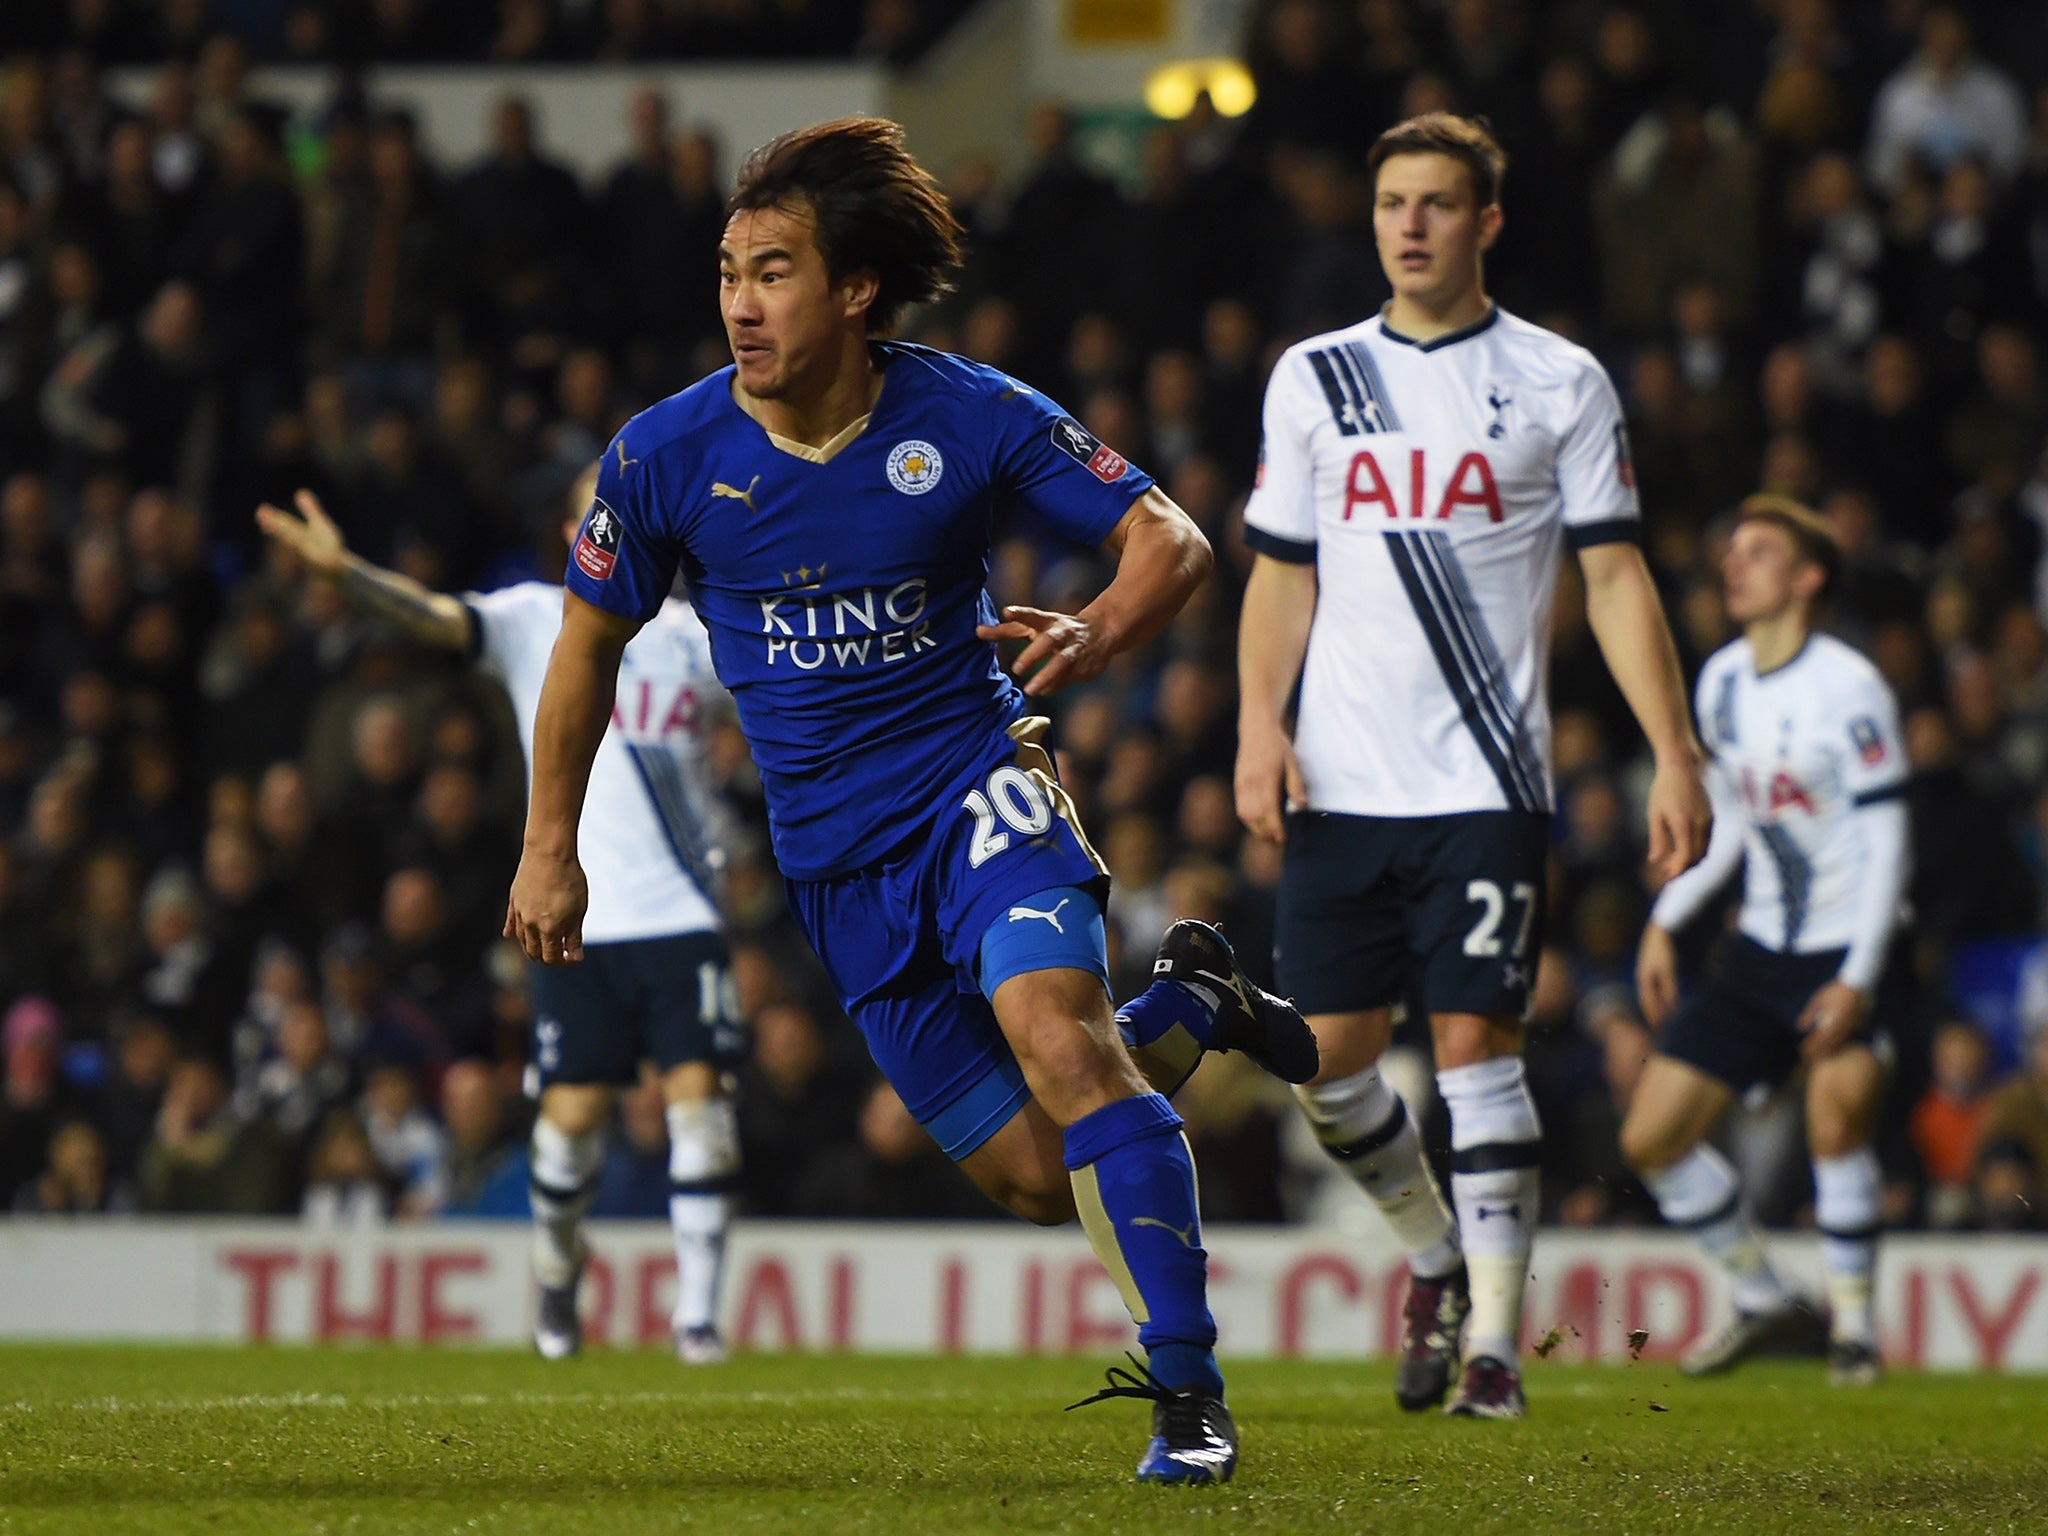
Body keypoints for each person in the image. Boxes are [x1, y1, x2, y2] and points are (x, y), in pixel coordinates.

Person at [504, 117, 1314, 1485]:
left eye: (771, 272)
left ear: (853, 289)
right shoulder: (663, 458)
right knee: (1030, 1173)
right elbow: (585, 651)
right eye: (727, 272)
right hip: (836, 863)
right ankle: (1187, 1008)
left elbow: (1167, 538)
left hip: (978, 789)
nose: (740, 305)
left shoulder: (968, 413)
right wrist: (546, 848)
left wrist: (1102, 633)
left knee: (1064, 1045)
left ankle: (1189, 1396)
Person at [1234, 113, 1711, 1420]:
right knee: (1327, 1070)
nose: (1411, 224)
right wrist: (1256, 726)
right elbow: (1280, 575)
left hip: (1489, 782)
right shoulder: (1313, 378)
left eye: (1439, 203)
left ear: (1486, 222)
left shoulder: (1560, 381)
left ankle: (1496, 1347)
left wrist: (1674, 753)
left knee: (1472, 1052)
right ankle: (1438, 1263)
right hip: (1338, 782)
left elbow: (1616, 578)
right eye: (1393, 201)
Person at [257, 467, 745, 1364]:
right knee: (570, 1124)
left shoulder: (695, 640)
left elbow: (793, 691)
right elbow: (435, 618)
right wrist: (345, 575)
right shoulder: (533, 621)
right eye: (602, 515)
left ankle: (699, 1320)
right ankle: (558, 1283)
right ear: (574, 533)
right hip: (579, 918)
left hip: (683, 913)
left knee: (700, 1109)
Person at [1624, 496, 1910, 1388]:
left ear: (1807, 577)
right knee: (1651, 1139)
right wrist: (1669, 919)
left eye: (1758, 551)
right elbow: (1739, 823)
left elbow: (1889, 842)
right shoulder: (1719, 683)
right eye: (1732, 549)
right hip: (1758, 951)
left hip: (1850, 946)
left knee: (1835, 1120)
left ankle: (1856, 1334)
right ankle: (1767, 1301)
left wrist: (1859, 979)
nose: (1733, 564)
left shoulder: (1850, 687)